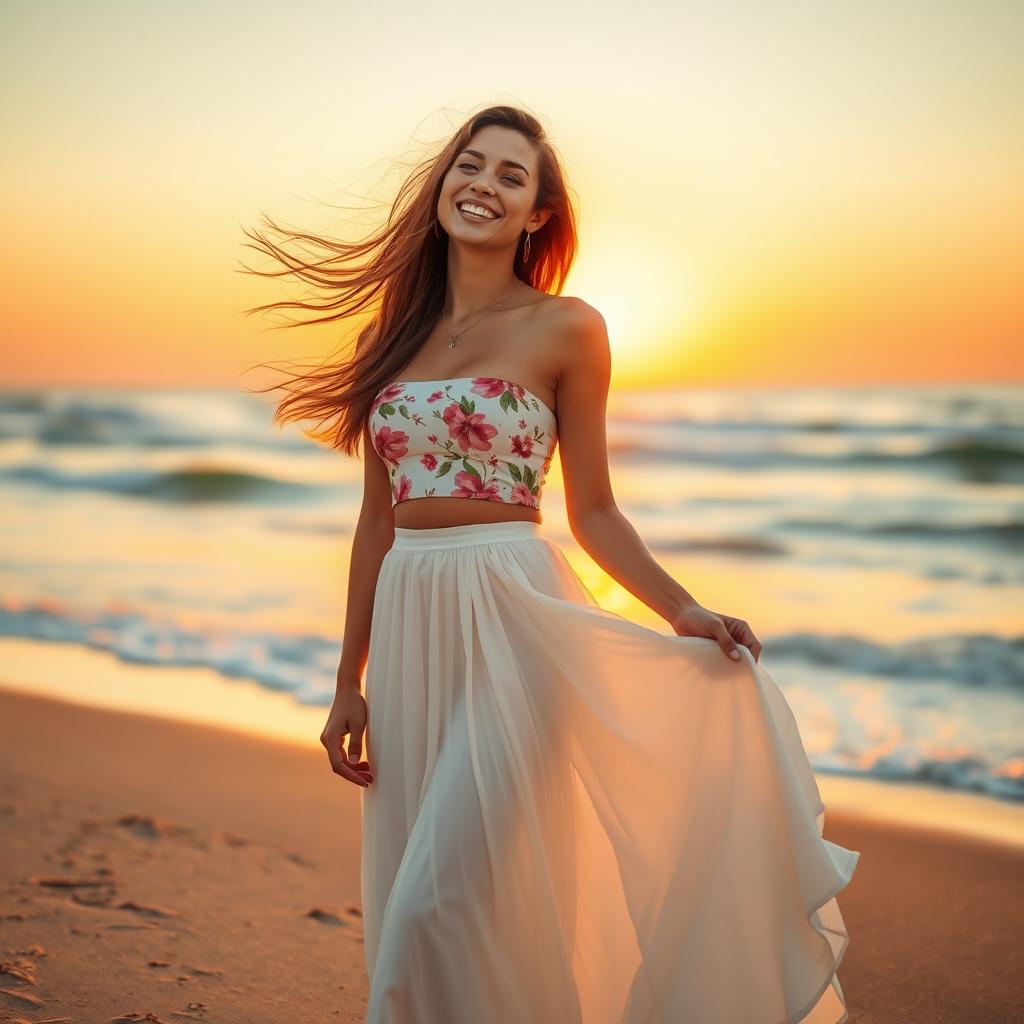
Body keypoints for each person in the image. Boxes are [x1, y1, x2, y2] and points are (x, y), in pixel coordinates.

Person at [244, 104, 859, 1024]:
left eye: (510, 176)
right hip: (414, 620)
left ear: (537, 213)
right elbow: (376, 523)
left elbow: (596, 511)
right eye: (471, 165)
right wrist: (346, 680)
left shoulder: (569, 327)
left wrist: (682, 611)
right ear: (443, 182)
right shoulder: (393, 339)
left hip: (513, 617)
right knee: (460, 901)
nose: (483, 186)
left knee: (432, 905)